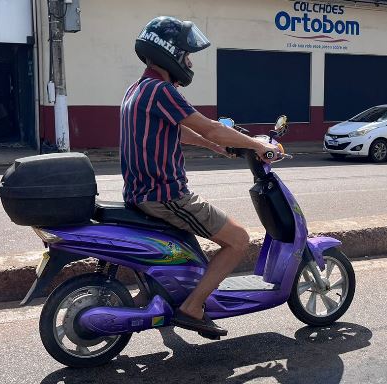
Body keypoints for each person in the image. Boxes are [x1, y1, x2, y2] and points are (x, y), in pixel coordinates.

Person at [120, 16, 280, 336]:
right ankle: (192, 308)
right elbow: (209, 126)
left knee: (190, 249)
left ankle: (163, 293)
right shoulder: (162, 91)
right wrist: (257, 145)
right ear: (171, 52)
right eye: (186, 54)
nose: (189, 61)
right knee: (238, 240)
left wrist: (218, 148)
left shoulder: (138, 89)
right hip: (165, 195)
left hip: (141, 193)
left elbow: (181, 132)